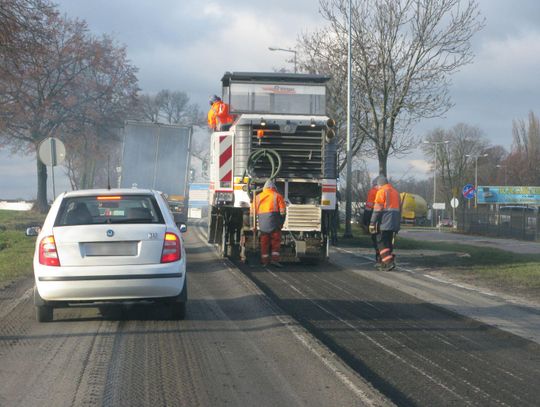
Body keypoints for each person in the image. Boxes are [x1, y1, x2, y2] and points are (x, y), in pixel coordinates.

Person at [369, 175, 400, 271]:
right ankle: (384, 263)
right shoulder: (396, 192)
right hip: (394, 222)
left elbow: (377, 210)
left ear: (380, 184)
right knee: (388, 242)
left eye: (377, 186)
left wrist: (372, 223)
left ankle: (389, 262)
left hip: (385, 221)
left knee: (381, 242)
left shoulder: (381, 192)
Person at [254, 179, 287, 267]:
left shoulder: (257, 197)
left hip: (263, 225)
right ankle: (274, 260)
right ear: (274, 188)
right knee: (275, 241)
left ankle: (265, 261)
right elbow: (283, 212)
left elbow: (252, 213)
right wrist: (281, 223)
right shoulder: (278, 196)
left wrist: (252, 225)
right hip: (275, 224)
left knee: (264, 243)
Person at [363, 179, 380, 263]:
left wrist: (365, 221)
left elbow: (368, 207)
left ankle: (378, 255)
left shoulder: (372, 192)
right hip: (385, 219)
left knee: (375, 237)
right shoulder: (385, 192)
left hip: (374, 217)